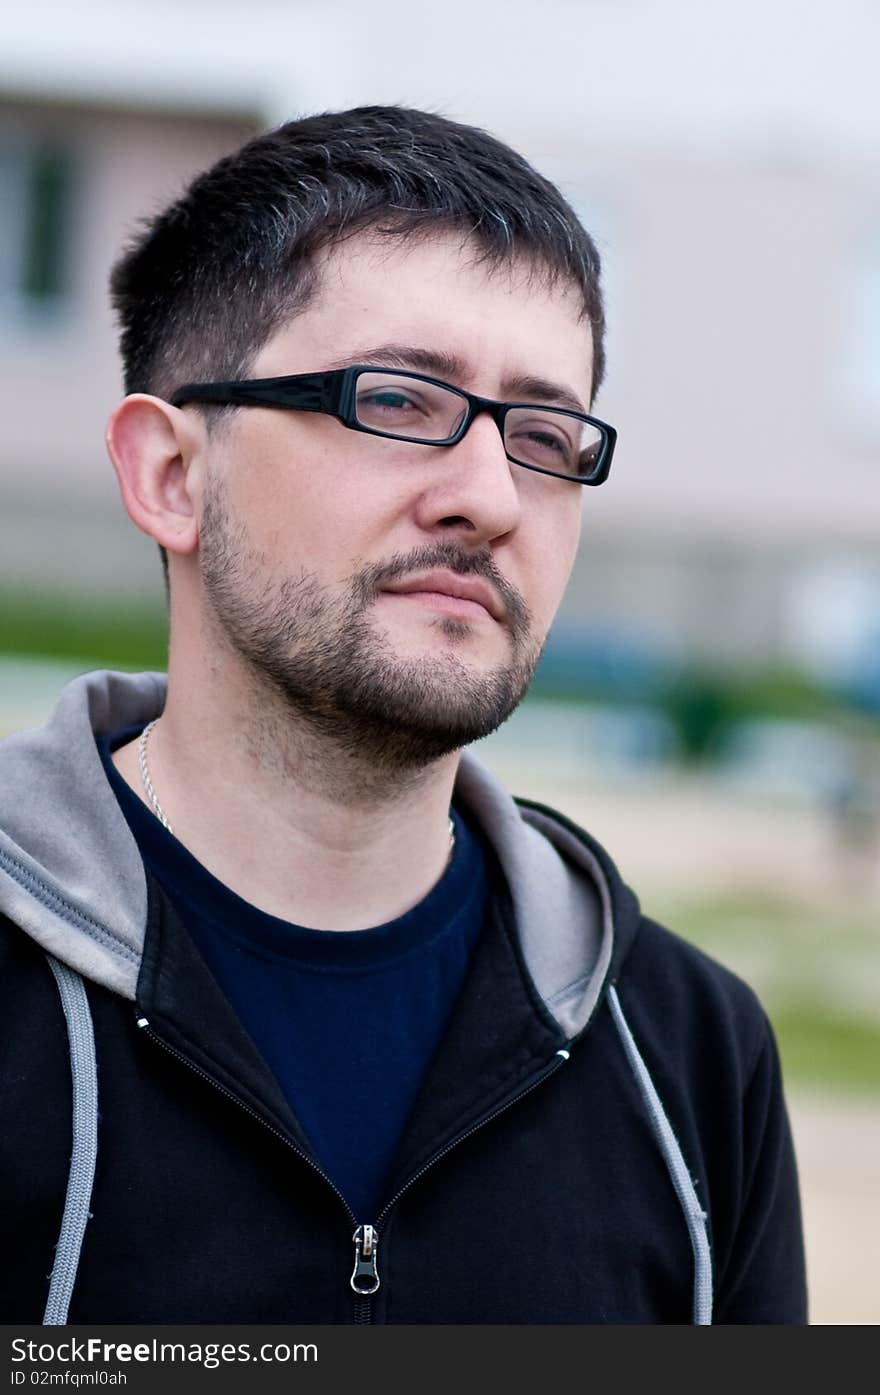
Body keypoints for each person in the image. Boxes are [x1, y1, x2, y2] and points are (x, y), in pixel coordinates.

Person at [0, 105, 806, 1325]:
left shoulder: (691, 1056)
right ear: (172, 475)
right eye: (398, 400)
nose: (489, 495)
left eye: (542, 432)